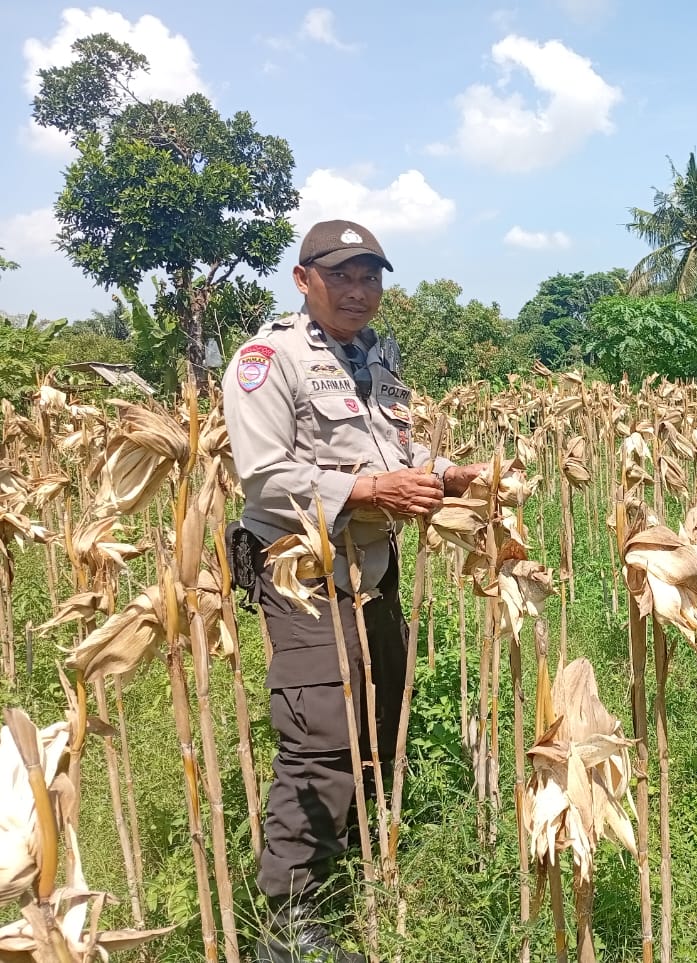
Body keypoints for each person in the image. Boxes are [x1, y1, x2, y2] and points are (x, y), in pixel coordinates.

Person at [222, 220, 483, 962]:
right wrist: (371, 488)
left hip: (374, 569)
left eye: (371, 277)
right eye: (342, 276)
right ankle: (292, 916)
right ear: (304, 280)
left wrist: (443, 470)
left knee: (381, 712)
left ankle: (364, 858)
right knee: (320, 734)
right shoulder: (267, 360)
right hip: (304, 573)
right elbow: (265, 478)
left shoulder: (374, 357)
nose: (360, 291)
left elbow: (391, 447)